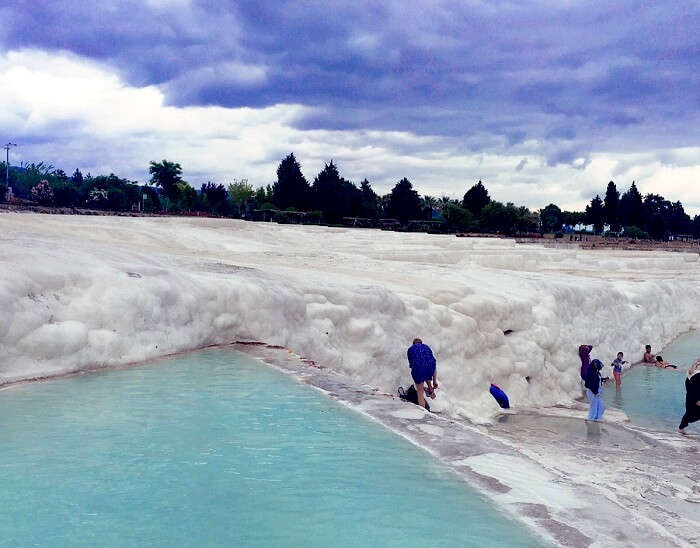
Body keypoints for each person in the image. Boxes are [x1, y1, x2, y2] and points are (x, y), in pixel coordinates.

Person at [406, 338, 438, 409]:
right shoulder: (427, 347)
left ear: (413, 343)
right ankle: (430, 388)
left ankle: (423, 411)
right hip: (430, 368)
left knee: (420, 392)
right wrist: (434, 380)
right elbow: (433, 363)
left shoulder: (410, 349)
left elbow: (412, 365)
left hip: (419, 369)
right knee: (427, 370)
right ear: (421, 343)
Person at [679, 359, 700, 434]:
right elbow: (698, 388)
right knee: (691, 414)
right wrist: (698, 399)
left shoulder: (690, 374)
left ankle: (681, 428)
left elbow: (688, 385)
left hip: (690, 398)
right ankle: (681, 428)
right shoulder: (697, 375)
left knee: (689, 414)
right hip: (694, 398)